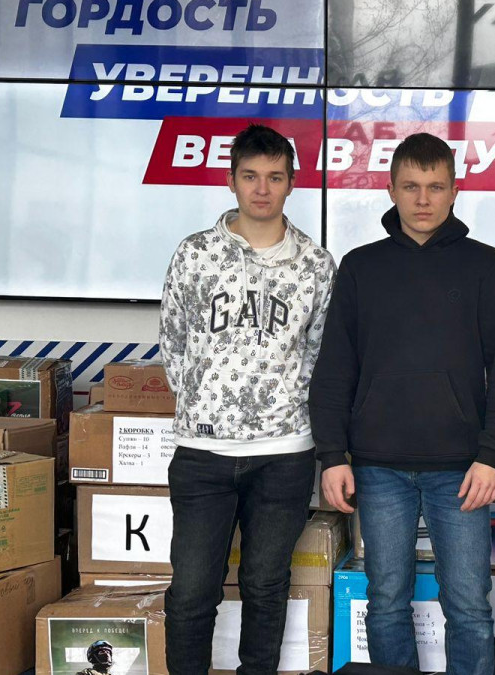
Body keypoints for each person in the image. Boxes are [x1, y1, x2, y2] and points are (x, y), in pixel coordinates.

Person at [311, 132, 495, 675]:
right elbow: (335, 369)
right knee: (386, 599)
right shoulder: (360, 267)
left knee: (469, 605)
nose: (423, 199)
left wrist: (492, 454)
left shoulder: (485, 265)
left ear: (455, 190)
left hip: (462, 469)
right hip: (378, 467)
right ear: (391, 190)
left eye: (435, 186)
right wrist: (333, 454)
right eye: (411, 186)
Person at [158, 123, 336, 674]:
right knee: (192, 591)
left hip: (284, 454)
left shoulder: (315, 265)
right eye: (251, 176)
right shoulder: (195, 254)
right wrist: (205, 406)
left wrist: (286, 411)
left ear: (292, 183)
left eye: (275, 177)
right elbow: (173, 341)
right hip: (203, 453)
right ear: (231, 181)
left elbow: (319, 353)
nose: (262, 189)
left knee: (265, 585)